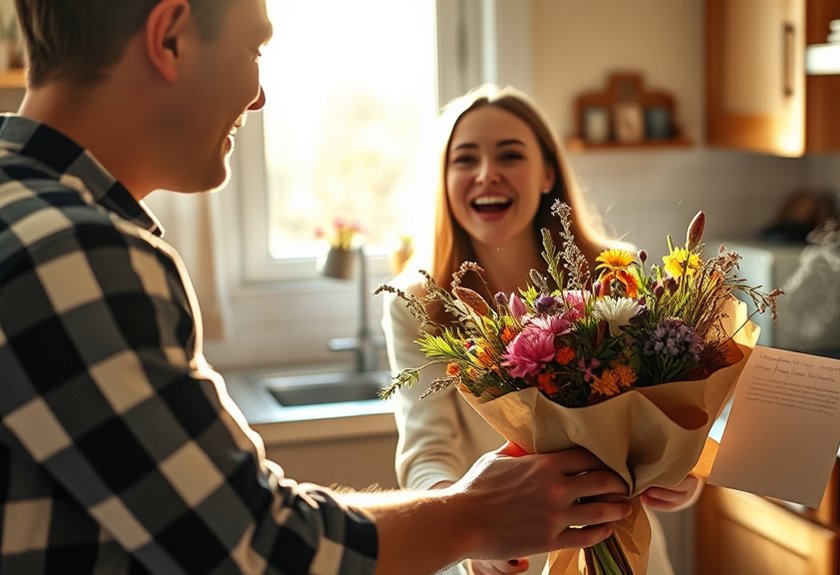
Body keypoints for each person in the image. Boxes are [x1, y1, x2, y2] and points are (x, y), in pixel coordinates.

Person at [0, 2, 634, 573]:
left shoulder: (30, 216)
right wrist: (477, 515)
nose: (259, 98)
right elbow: (258, 545)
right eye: (254, 48)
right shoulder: (77, 252)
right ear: (170, 39)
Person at [382, 84, 705, 575]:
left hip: (623, 551)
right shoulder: (418, 306)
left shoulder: (615, 277)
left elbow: (667, 422)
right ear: (445, 180)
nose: (486, 174)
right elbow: (427, 454)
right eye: (464, 160)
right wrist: (469, 535)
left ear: (547, 172)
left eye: (510, 155)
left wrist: (682, 475)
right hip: (507, 558)